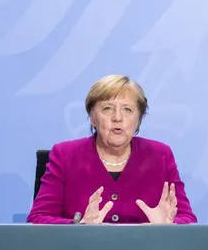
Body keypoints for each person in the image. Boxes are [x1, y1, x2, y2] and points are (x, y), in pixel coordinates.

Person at [28, 75, 196, 224]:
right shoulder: (65, 155)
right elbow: (38, 218)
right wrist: (79, 226)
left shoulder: (160, 155)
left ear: (138, 119)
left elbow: (187, 218)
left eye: (127, 110)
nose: (117, 118)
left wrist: (168, 225)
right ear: (92, 117)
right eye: (107, 108)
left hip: (145, 249)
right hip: (83, 249)